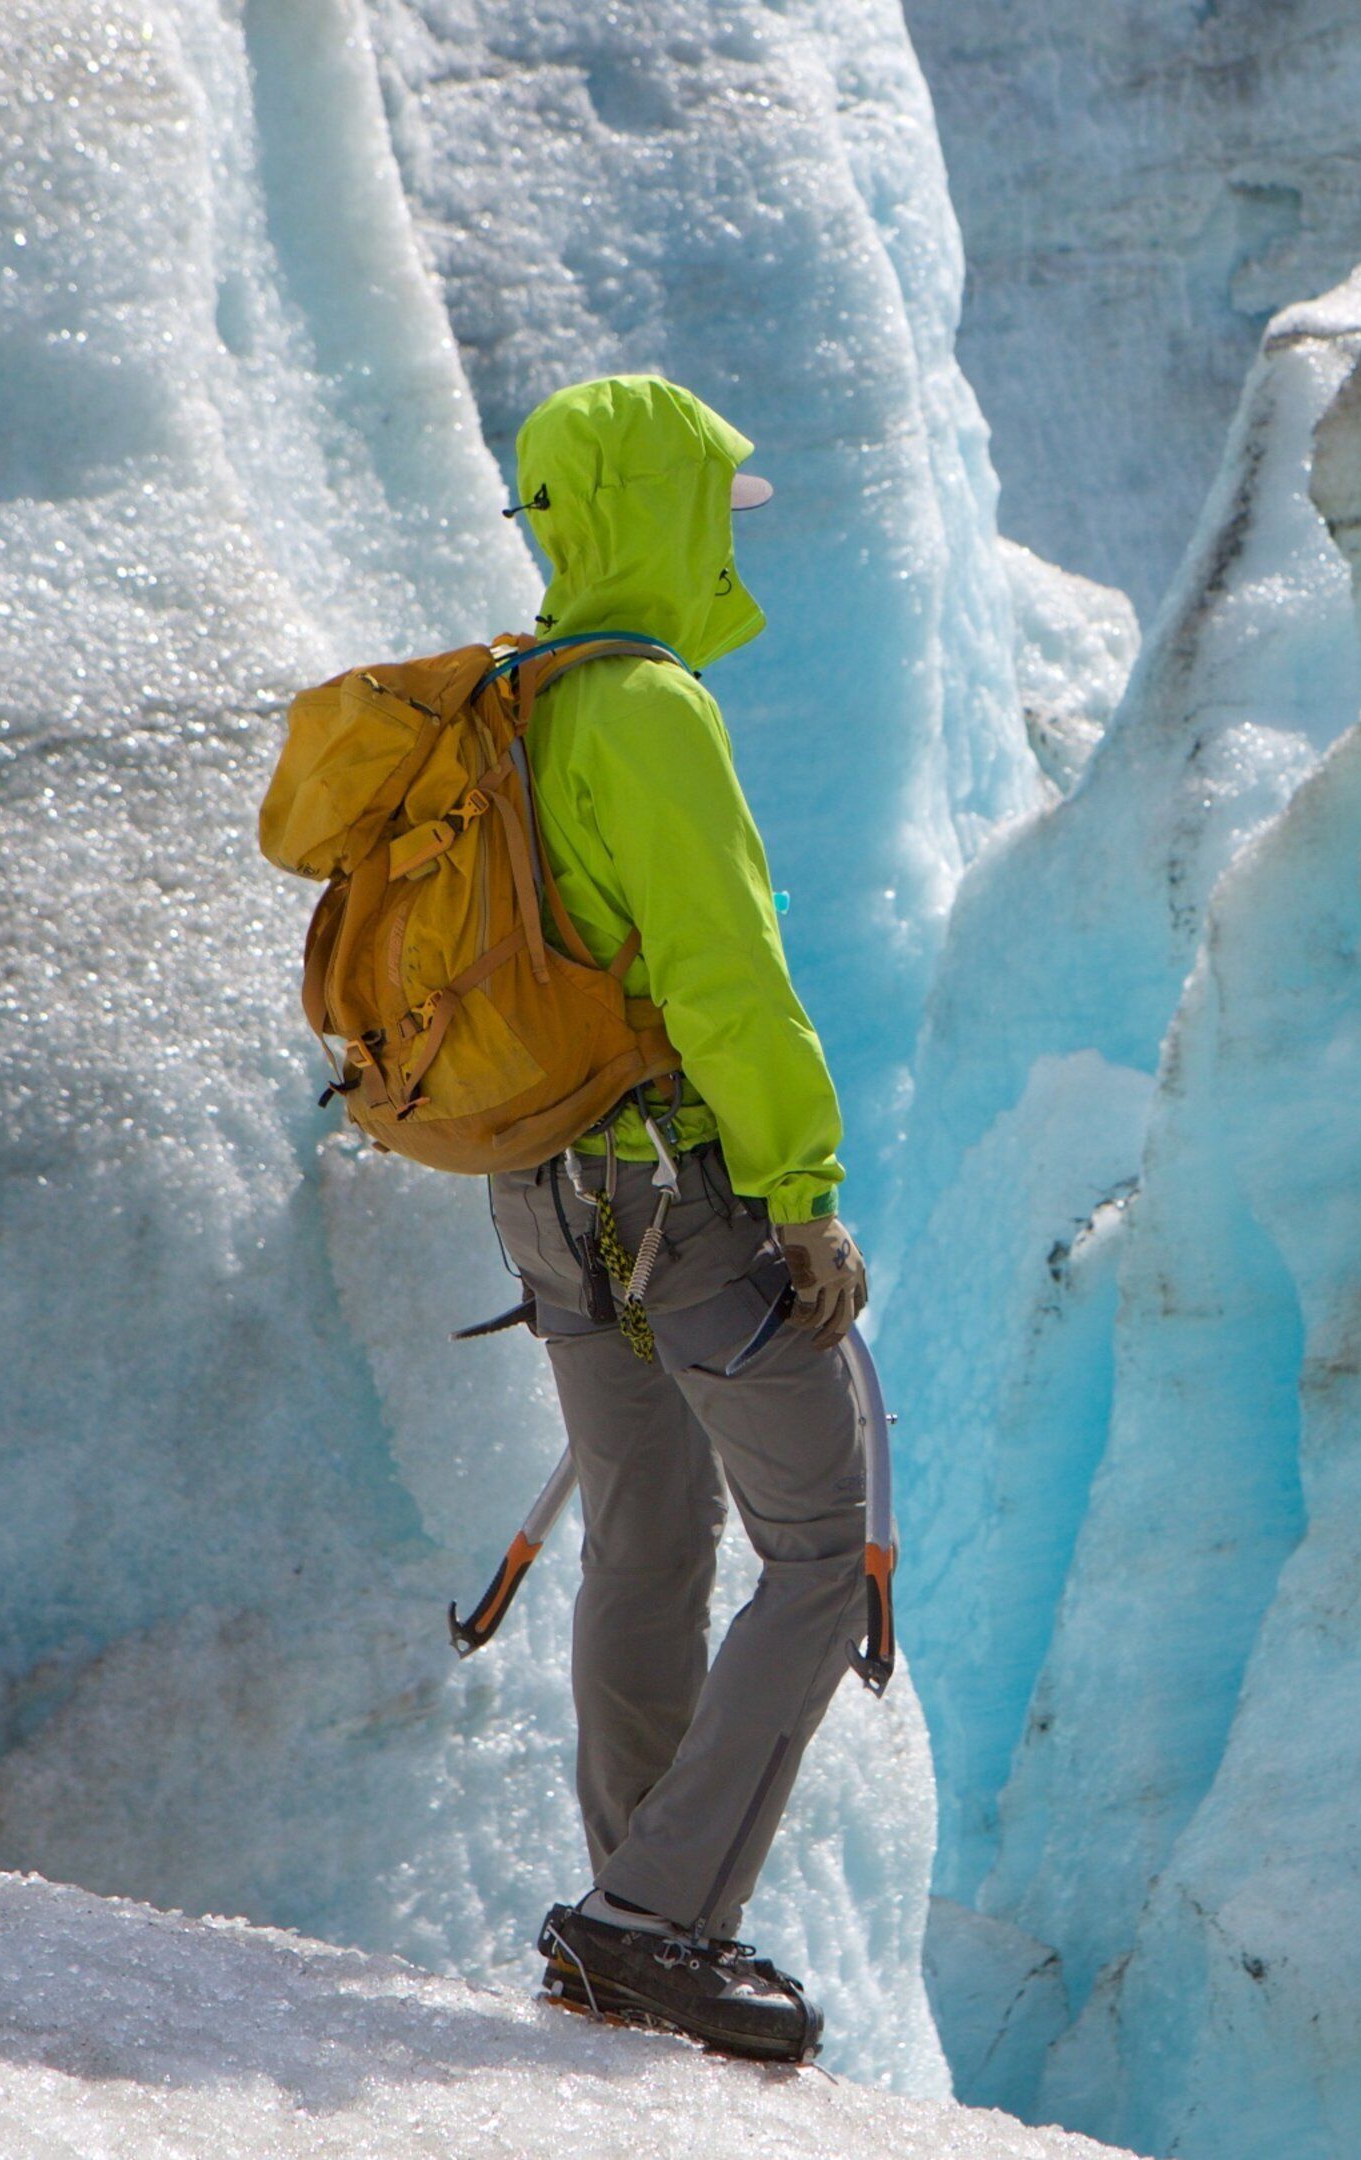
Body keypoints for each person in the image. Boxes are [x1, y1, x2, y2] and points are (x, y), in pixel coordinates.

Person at [481, 375, 872, 2064]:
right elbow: (727, 975)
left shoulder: (514, 702)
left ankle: (633, 1919)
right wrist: (805, 1192)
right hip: (685, 1197)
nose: (730, 536)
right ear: (659, 510)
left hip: (546, 1193)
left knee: (643, 1544)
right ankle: (651, 1921)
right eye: (716, 504)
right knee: (821, 1554)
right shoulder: (650, 710)